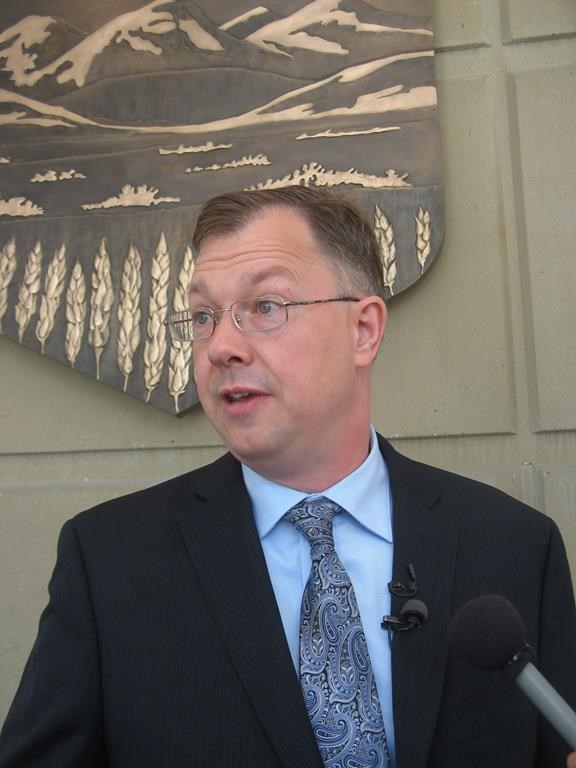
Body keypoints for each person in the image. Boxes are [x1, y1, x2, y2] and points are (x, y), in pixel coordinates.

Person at [0, 186, 575, 768]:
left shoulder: (516, 546)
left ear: (363, 330)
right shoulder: (107, 561)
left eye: (266, 306)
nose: (222, 346)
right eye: (203, 317)